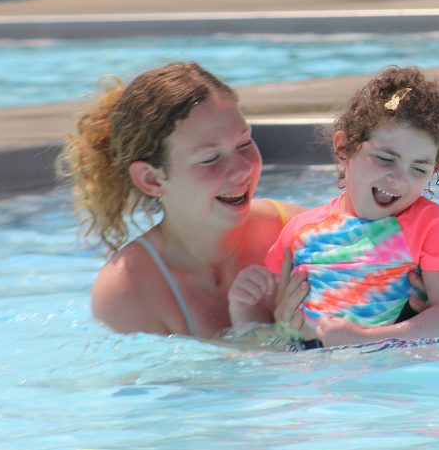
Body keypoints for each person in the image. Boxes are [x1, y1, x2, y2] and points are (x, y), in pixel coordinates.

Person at [229, 65, 439, 348]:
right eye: (385, 159)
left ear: (434, 170)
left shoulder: (430, 226)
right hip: (307, 370)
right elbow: (274, 323)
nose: (398, 179)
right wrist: (244, 308)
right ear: (344, 147)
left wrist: (364, 339)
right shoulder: (301, 231)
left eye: (418, 168)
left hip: (391, 369)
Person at [58, 61, 311, 338]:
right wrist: (280, 339)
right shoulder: (129, 294)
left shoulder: (298, 232)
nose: (242, 170)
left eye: (244, 143)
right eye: (209, 159)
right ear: (151, 179)